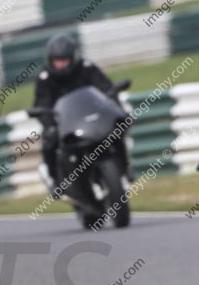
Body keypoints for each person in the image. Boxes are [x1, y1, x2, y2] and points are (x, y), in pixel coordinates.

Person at [33, 34, 130, 195]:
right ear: (50, 60)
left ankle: (125, 169)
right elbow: (42, 104)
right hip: (64, 123)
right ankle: (55, 179)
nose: (61, 64)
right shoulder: (45, 78)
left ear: (73, 57)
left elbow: (106, 89)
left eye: (64, 59)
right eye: (57, 60)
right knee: (49, 141)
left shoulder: (86, 68)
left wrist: (116, 107)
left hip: (91, 117)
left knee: (116, 131)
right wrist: (49, 123)